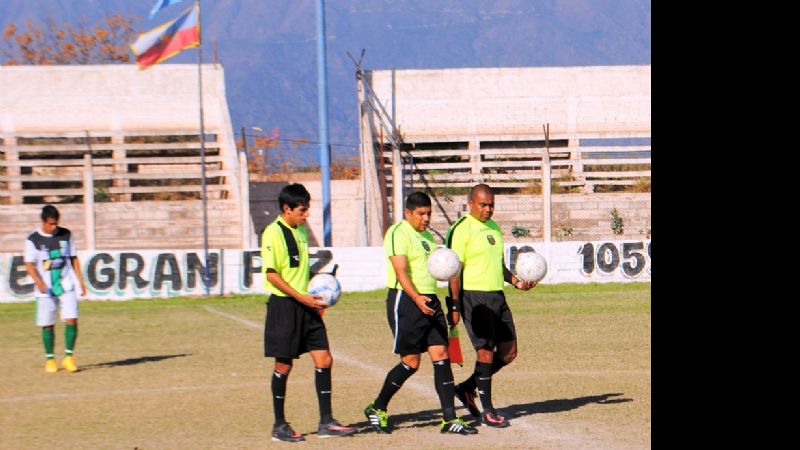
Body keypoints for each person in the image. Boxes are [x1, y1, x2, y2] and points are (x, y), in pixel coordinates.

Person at [364, 191, 478, 436]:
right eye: (421, 214)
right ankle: (377, 407)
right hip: (406, 301)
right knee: (411, 362)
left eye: (428, 213)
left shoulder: (428, 237)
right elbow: (400, 271)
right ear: (408, 213)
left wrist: (450, 303)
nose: (426, 218)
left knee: (441, 354)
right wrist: (416, 298)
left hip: (431, 301)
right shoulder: (397, 233)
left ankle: (449, 419)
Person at [260, 183, 356, 442]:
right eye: (302, 211)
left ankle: (327, 422)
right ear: (287, 209)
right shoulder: (272, 233)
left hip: (307, 305)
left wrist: (321, 283)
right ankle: (279, 425)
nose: (306, 216)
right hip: (285, 307)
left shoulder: (300, 230)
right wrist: (301, 296)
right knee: (283, 365)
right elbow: (272, 274)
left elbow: (299, 270)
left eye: (307, 210)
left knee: (324, 360)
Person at [445, 184, 536, 428]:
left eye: (491, 205)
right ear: (471, 204)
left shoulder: (494, 229)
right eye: (483, 205)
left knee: (509, 352)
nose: (488, 209)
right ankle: (488, 411)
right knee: (484, 352)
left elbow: (498, 265)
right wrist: (454, 305)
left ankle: (466, 388)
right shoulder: (462, 229)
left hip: (497, 296)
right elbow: (453, 270)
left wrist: (515, 281)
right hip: (474, 298)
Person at [24, 204, 87, 373]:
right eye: (51, 224)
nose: (54, 227)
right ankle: (50, 359)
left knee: (72, 319)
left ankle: (69, 357)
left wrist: (81, 281)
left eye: (56, 224)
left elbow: (73, 258)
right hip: (46, 289)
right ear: (43, 222)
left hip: (66, 284)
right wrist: (40, 283)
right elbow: (29, 265)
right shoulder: (33, 239)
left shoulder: (66, 235)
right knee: (47, 324)